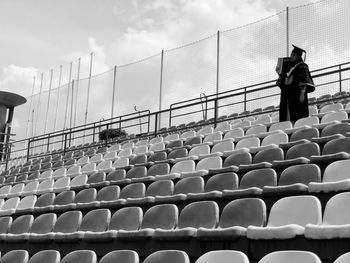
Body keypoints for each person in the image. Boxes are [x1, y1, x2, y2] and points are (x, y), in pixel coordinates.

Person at [277, 45, 315, 122]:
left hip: (297, 96)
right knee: (287, 117)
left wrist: (302, 93)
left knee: (298, 117)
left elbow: (304, 81)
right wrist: (279, 73)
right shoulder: (290, 68)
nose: (291, 56)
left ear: (298, 57)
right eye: (291, 54)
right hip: (288, 97)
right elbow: (284, 83)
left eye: (293, 55)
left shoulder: (302, 66)